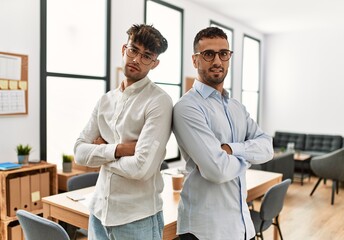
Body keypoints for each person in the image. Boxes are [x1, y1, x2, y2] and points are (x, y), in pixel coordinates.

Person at [172, 26, 274, 240]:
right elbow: (217, 170)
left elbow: (267, 147)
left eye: (223, 53)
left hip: (242, 226)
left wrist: (231, 149)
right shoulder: (187, 107)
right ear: (195, 60)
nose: (217, 61)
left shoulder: (237, 107)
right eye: (208, 54)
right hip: (205, 231)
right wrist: (248, 157)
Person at [74, 24, 172, 240]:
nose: (136, 59)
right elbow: (79, 152)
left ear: (155, 63)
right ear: (123, 49)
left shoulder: (159, 102)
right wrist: (119, 149)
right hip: (98, 212)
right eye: (133, 50)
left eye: (146, 56)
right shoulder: (105, 100)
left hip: (137, 219)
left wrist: (101, 152)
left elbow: (141, 169)